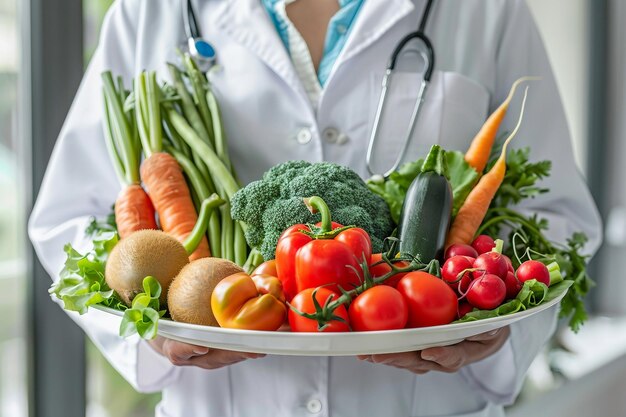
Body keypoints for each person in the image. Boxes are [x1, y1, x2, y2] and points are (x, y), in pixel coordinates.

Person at [29, 1, 601, 416]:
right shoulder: (148, 12)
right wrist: (147, 334)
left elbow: (557, 218)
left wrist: (497, 336)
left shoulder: (488, 11)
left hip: (428, 401)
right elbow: (67, 219)